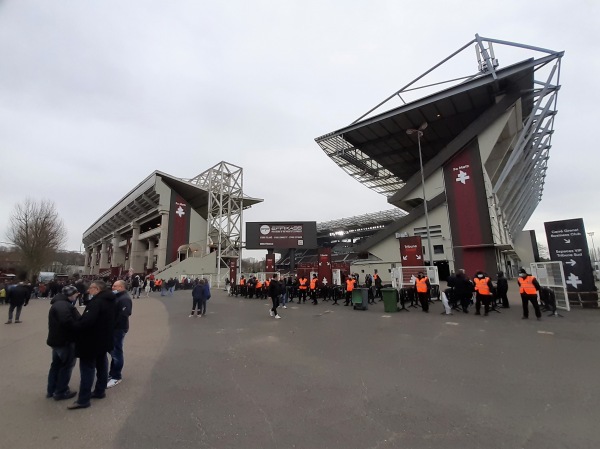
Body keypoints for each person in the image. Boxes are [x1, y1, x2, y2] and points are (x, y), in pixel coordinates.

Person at [68, 280, 116, 410]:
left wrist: (74, 325)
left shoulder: (97, 302)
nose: (88, 290)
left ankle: (83, 399)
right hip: (104, 339)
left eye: (91, 288)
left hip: (91, 340)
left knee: (87, 368)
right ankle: (100, 390)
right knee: (102, 364)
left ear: (97, 289)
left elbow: (87, 322)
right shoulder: (110, 301)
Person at [46, 285, 81, 400]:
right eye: (76, 294)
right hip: (64, 341)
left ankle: (52, 389)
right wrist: (79, 327)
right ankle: (61, 391)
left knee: (56, 365)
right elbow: (67, 322)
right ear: (71, 294)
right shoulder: (64, 305)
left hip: (57, 340)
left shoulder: (60, 303)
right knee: (66, 366)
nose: (77, 296)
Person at [107, 280, 132, 388]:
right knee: (113, 352)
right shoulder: (117, 297)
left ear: (121, 287)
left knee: (116, 352)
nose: (113, 287)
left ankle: (116, 376)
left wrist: (113, 325)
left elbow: (124, 314)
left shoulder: (124, 298)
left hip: (118, 329)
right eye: (113, 285)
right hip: (113, 328)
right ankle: (112, 373)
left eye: (115, 286)